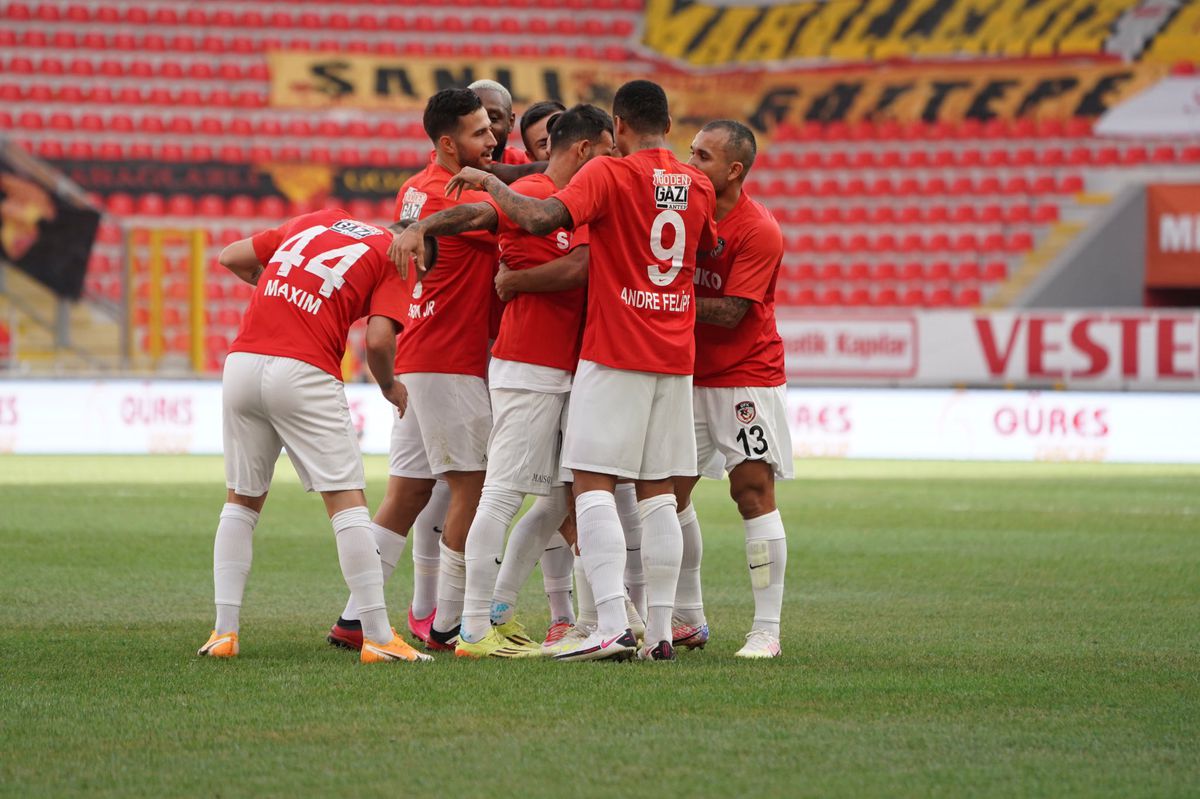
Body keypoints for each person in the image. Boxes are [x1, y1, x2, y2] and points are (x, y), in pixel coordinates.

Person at [440, 80, 718, 661]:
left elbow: (541, 217)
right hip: (674, 357)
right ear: (669, 125)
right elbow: (704, 246)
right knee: (657, 493)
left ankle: (606, 624)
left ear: (620, 125)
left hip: (615, 352)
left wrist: (490, 181)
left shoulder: (609, 174)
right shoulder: (698, 184)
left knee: (590, 486)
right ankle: (659, 633)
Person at [391, 104, 617, 658]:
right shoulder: (534, 192)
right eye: (608, 152)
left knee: (560, 499)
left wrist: (517, 279)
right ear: (585, 150)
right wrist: (423, 226)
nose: (613, 162)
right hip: (527, 365)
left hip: (570, 367)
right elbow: (476, 215)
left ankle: (503, 610)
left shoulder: (580, 202)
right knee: (498, 494)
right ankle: (470, 628)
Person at [198, 208, 430, 664]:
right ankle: (378, 638)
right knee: (347, 502)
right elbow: (379, 340)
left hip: (242, 361)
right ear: (417, 251)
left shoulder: (318, 219)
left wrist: (284, 294)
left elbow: (231, 257)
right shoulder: (400, 255)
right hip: (304, 368)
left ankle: (224, 632)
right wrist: (388, 385)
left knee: (241, 501)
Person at [327, 88, 498, 653]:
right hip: (451, 360)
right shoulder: (455, 195)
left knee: (407, 494)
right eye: (480, 132)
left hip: (419, 356)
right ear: (449, 143)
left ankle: (355, 618)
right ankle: (448, 624)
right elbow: (517, 217)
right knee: (473, 486)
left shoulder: (413, 189)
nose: (492, 140)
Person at [469, 79, 530, 166]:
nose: (484, 126)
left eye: (493, 118)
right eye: (475, 118)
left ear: (510, 122)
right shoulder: (450, 166)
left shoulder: (524, 163)